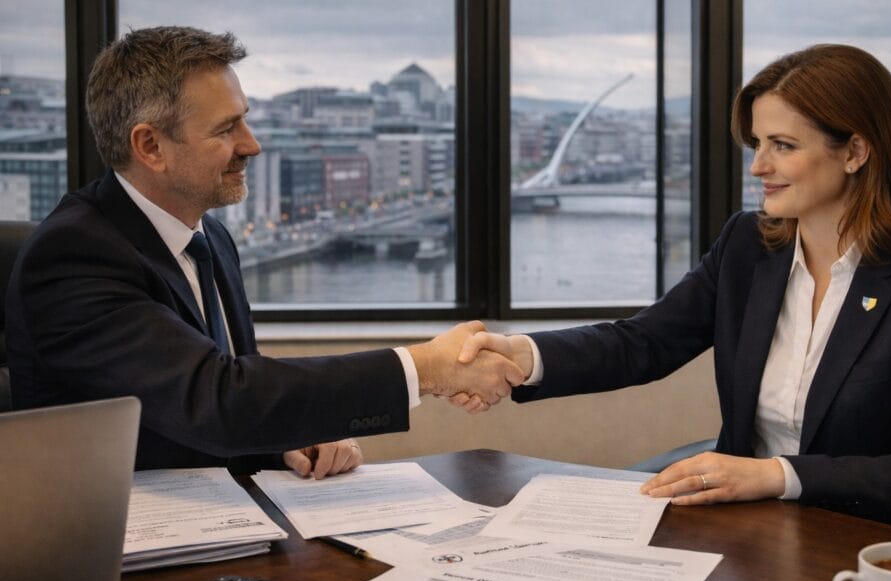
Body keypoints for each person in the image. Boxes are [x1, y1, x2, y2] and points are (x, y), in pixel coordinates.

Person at [458, 44, 891, 533]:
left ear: (854, 151)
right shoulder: (749, 245)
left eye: (782, 145)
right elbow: (643, 343)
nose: (759, 166)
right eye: (758, 144)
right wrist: (520, 357)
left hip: (874, 549)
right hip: (750, 536)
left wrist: (773, 476)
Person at [4, 26, 522, 477]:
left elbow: (230, 397)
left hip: (223, 533)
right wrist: (425, 367)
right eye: (227, 128)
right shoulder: (73, 256)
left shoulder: (210, 238)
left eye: (244, 120)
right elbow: (216, 399)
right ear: (150, 147)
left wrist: (284, 442)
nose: (251, 144)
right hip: (115, 547)